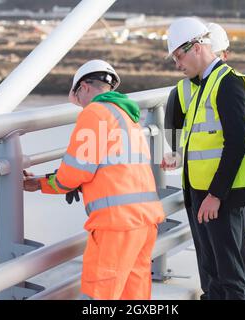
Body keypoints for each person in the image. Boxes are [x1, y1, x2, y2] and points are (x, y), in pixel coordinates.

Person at [23, 59, 165, 300]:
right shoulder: (127, 117)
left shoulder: (95, 113)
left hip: (116, 225)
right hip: (145, 221)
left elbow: (75, 171)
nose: (80, 106)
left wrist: (40, 184)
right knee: (134, 295)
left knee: (99, 296)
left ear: (84, 87)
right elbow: (113, 167)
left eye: (78, 100)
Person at [161, 17, 245, 300]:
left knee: (230, 277)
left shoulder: (228, 83)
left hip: (219, 198)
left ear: (197, 47)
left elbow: (236, 143)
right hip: (202, 194)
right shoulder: (205, 85)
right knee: (214, 274)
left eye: (179, 56)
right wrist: (180, 157)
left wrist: (215, 194)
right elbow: (202, 139)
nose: (177, 64)